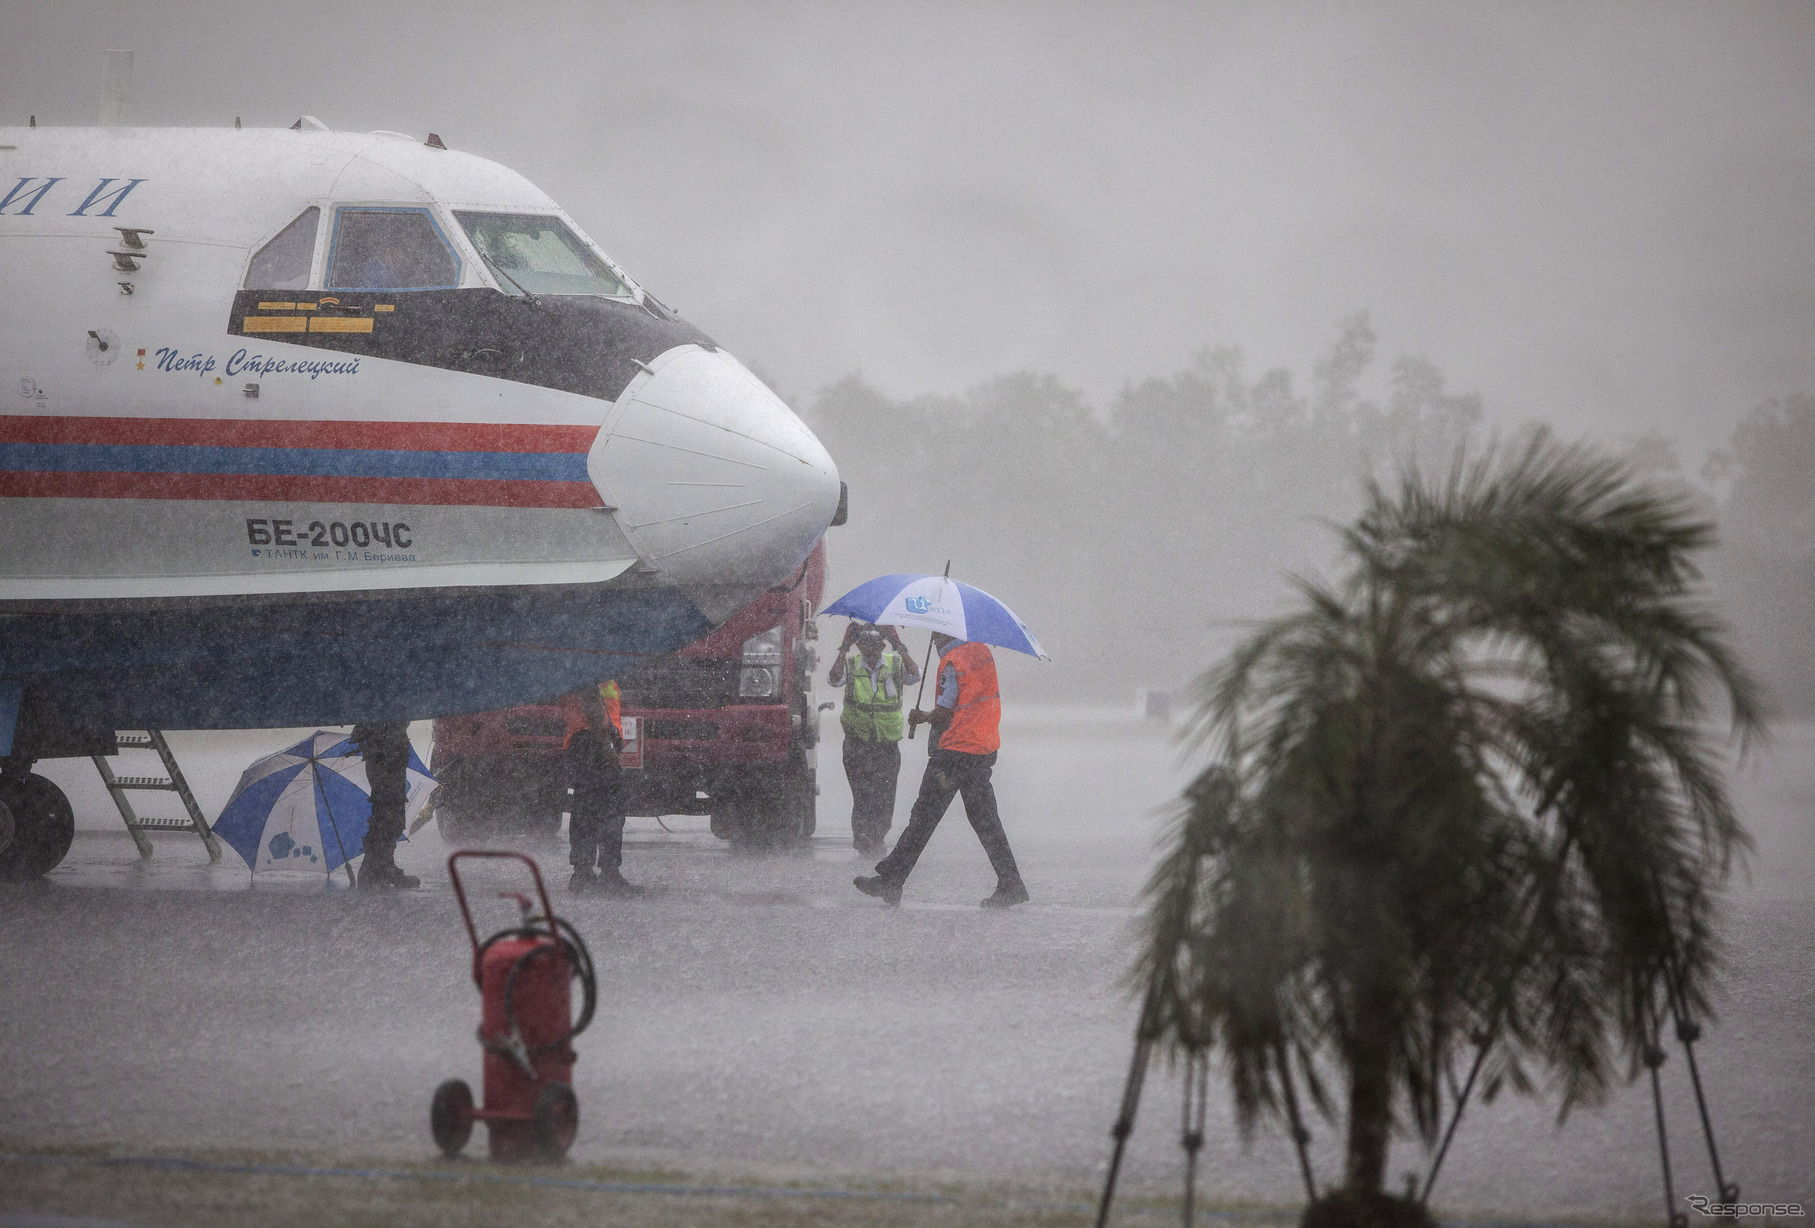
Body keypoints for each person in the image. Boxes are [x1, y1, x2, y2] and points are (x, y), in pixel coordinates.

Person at [854, 632, 1029, 909]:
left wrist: (921, 716)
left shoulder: (951, 661)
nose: (933, 640)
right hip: (982, 747)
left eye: (935, 635)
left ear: (943, 634)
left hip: (954, 752)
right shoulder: (981, 652)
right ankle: (1011, 882)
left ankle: (892, 879)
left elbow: (945, 712)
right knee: (985, 820)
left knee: (923, 817)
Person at [827, 621, 920, 855]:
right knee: (862, 794)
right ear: (859, 645)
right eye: (865, 644)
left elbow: (915, 674)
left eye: (876, 644)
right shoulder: (850, 663)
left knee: (885, 795)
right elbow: (833, 678)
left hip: (886, 744)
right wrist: (843, 648)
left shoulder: (895, 662)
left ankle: (877, 835)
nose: (871, 649)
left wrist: (900, 645)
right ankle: (863, 838)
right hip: (857, 743)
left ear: (882, 644)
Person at [557, 678, 640, 896]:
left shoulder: (586, 661)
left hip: (586, 739)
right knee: (610, 809)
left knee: (587, 806)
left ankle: (583, 874)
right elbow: (591, 700)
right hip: (593, 740)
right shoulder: (592, 662)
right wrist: (606, 743)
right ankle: (607, 874)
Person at [350, 721, 419, 889]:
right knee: (387, 815)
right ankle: (376, 869)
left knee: (389, 815)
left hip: (388, 755)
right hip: (386, 757)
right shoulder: (384, 707)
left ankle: (380, 868)